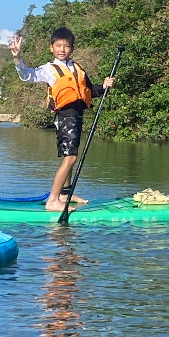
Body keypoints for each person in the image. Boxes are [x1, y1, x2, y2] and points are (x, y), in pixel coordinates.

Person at [10, 27, 115, 212]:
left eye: (66, 46)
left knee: (70, 156)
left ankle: (65, 194)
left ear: (72, 49)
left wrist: (104, 86)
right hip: (64, 117)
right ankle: (53, 200)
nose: (62, 49)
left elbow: (89, 90)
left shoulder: (78, 68)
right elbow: (27, 75)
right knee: (71, 157)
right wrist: (17, 58)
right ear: (51, 48)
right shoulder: (49, 69)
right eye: (58, 45)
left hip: (77, 115)